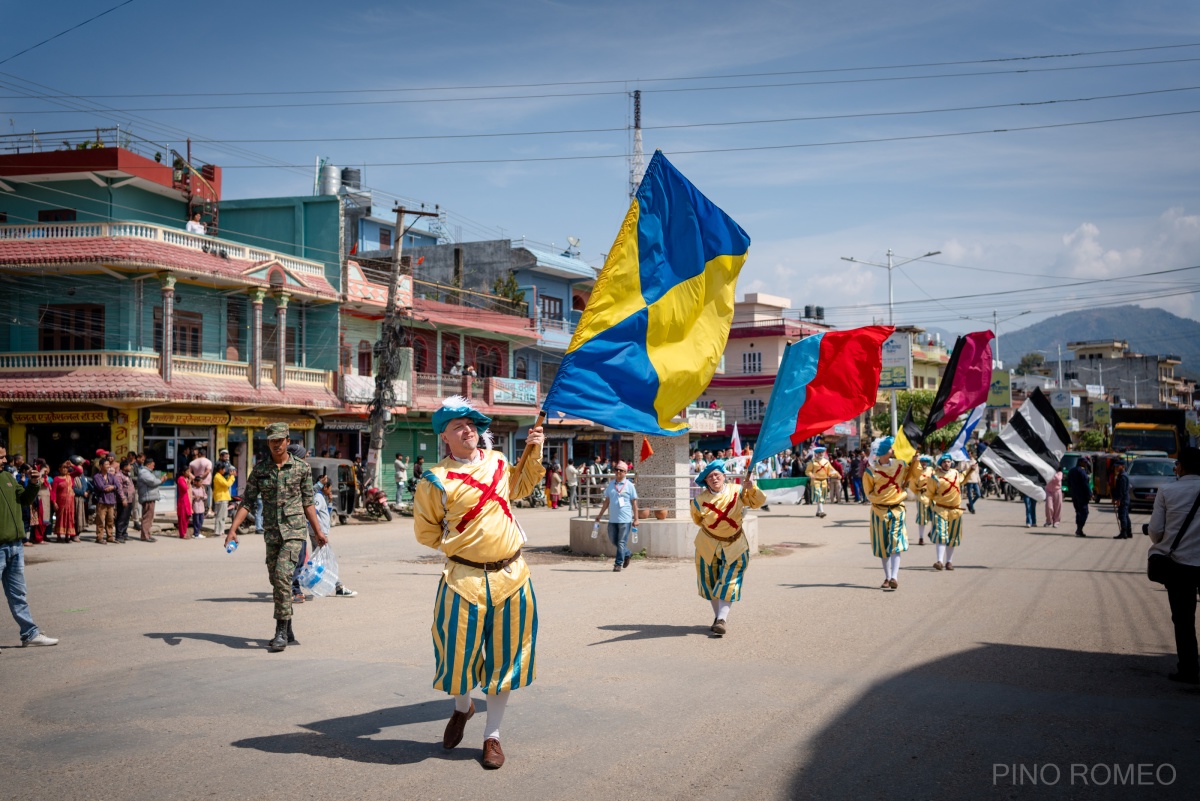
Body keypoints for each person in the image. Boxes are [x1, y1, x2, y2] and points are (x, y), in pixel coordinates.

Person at [413, 396, 545, 770]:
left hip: (513, 575)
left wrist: (533, 451)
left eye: (471, 424)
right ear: (445, 437)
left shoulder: (500, 462)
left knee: (505, 661)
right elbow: (426, 532)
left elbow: (521, 487)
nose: (467, 429)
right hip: (463, 579)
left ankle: (493, 736)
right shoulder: (434, 480)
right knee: (455, 658)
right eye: (458, 426)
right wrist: (464, 547)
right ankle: (462, 707)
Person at [223, 423, 328, 653]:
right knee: (276, 581)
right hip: (272, 533)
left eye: (280, 440)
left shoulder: (301, 468)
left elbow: (308, 502)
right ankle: (288, 628)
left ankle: (280, 631)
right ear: (268, 442)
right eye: (272, 440)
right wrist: (232, 529)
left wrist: (318, 531)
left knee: (282, 577)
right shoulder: (260, 470)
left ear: (288, 441)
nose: (276, 444)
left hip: (294, 531)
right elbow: (247, 502)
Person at [689, 459, 765, 635]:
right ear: (706, 481)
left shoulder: (738, 491)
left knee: (729, 580)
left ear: (724, 476)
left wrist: (751, 487)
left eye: (717, 475)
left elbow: (757, 502)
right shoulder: (699, 501)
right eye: (709, 477)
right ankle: (718, 618)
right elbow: (697, 520)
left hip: (735, 543)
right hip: (707, 544)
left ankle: (722, 619)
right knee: (710, 582)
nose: (714, 478)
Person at [1146, 446, 1200, 685]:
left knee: (1184, 619)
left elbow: (1156, 533)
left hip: (1179, 566)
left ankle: (1188, 670)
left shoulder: (1167, 491)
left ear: (1181, 467)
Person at [0, 446, 58, 646]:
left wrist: (33, 483)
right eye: (0, 457)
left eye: (4, 456)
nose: (4, 460)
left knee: (18, 593)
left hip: (15, 545)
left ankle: (30, 633)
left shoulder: (7, 476)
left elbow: (24, 499)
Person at [291, 470, 356, 603]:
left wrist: (330, 502)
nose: (330, 491)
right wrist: (314, 530)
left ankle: (335, 586)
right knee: (326, 560)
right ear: (325, 487)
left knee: (322, 560)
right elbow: (312, 512)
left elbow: (325, 513)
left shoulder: (322, 497)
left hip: (320, 532)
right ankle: (339, 587)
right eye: (330, 488)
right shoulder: (318, 497)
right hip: (318, 533)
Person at [862, 437, 914, 590]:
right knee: (883, 545)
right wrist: (882, 499)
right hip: (879, 511)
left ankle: (894, 577)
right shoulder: (870, 471)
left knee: (895, 543)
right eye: (890, 448)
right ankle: (887, 576)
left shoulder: (901, 464)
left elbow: (911, 475)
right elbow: (868, 493)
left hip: (897, 509)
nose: (893, 449)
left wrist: (915, 461)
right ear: (884, 452)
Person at [593, 461, 639, 572]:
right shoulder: (611, 484)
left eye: (621, 470)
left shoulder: (629, 486)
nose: (618, 472)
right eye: (616, 470)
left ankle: (618, 564)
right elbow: (606, 501)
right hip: (613, 519)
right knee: (614, 540)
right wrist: (599, 515)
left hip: (625, 519)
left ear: (626, 472)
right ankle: (627, 553)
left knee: (621, 542)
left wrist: (636, 519)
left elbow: (634, 503)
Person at [925, 453, 965, 571]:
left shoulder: (956, 473)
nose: (946, 464)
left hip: (955, 510)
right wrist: (932, 505)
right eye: (944, 462)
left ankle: (949, 562)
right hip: (940, 509)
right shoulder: (934, 477)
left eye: (948, 462)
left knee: (953, 536)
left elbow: (964, 479)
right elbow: (930, 493)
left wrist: (971, 470)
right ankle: (939, 561)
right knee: (941, 535)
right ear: (940, 464)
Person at [135, 457, 163, 542]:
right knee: (147, 517)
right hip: (147, 497)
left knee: (149, 517)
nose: (153, 467)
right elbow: (152, 482)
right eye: (153, 465)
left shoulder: (147, 472)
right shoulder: (144, 472)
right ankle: (145, 536)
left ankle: (147, 534)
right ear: (148, 464)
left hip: (150, 497)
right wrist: (161, 480)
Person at [908, 455, 933, 546]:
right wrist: (919, 492)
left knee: (936, 515)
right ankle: (921, 537)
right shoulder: (916, 473)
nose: (923, 463)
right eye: (922, 462)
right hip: (922, 497)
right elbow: (912, 485)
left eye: (925, 461)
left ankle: (932, 532)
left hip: (932, 496)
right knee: (922, 518)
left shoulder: (931, 470)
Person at [93, 459, 119, 544]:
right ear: (101, 466)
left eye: (108, 464)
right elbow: (101, 487)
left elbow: (117, 485)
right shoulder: (97, 476)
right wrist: (111, 486)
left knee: (110, 520)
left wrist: (112, 487)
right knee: (100, 520)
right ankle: (99, 537)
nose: (108, 466)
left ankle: (110, 536)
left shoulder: (111, 476)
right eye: (106, 464)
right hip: (101, 501)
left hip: (111, 501)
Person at [805, 446, 836, 518]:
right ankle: (822, 511)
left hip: (824, 481)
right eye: (819, 452)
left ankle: (818, 511)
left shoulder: (826, 461)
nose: (820, 454)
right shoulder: (812, 461)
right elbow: (807, 471)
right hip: (815, 481)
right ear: (816, 453)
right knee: (819, 496)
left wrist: (838, 475)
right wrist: (811, 475)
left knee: (822, 496)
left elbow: (831, 470)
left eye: (822, 452)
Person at [50, 462, 76, 543]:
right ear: (59, 469)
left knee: (69, 518)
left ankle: (67, 536)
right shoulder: (56, 479)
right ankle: (59, 536)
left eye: (66, 468)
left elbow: (79, 471)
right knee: (60, 518)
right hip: (61, 501)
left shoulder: (70, 477)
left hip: (70, 502)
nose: (65, 469)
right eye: (63, 468)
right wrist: (54, 502)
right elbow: (53, 492)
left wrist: (72, 465)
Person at [1067, 457, 1091, 537]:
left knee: (1078, 512)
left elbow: (1069, 483)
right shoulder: (1082, 471)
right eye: (1084, 462)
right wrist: (1090, 494)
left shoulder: (1071, 470)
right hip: (1082, 496)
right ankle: (1079, 529)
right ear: (1080, 462)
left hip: (1074, 495)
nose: (1085, 464)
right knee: (1084, 512)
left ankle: (1078, 528)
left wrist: (1073, 491)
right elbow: (1085, 484)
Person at [114, 460, 137, 543]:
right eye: (129, 466)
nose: (130, 467)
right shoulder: (118, 476)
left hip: (130, 499)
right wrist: (123, 499)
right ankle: (119, 535)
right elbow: (119, 489)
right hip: (123, 499)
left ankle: (124, 533)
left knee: (127, 517)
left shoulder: (128, 475)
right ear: (124, 467)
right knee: (121, 517)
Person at [190, 447, 214, 516]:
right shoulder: (208, 461)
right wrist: (201, 478)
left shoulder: (192, 462)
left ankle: (195, 511)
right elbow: (207, 471)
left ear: (199, 454)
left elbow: (189, 472)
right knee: (204, 497)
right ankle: (204, 512)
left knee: (196, 498)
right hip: (205, 482)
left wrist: (195, 478)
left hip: (196, 483)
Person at [213, 465, 235, 540]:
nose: (225, 470)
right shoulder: (217, 476)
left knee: (223, 516)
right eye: (224, 469)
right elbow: (227, 484)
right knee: (220, 516)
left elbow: (225, 483)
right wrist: (232, 477)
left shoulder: (220, 476)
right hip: (221, 498)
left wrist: (229, 477)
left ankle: (221, 531)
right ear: (220, 469)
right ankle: (218, 532)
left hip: (223, 498)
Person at [1112, 461, 1132, 539]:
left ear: (1123, 466)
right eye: (1116, 466)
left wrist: (1118, 500)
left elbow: (1122, 490)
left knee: (1122, 516)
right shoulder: (1122, 475)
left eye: (1118, 466)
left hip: (1123, 499)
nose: (1116, 468)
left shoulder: (1122, 477)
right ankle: (1129, 532)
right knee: (1126, 515)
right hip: (1125, 498)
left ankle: (1124, 532)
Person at [176, 466, 194, 539]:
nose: (188, 473)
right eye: (187, 472)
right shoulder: (181, 479)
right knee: (182, 518)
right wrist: (189, 482)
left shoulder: (186, 478)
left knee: (187, 517)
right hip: (183, 500)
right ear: (183, 472)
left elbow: (193, 477)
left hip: (187, 499)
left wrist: (189, 478)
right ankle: (182, 534)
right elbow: (184, 488)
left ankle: (185, 532)